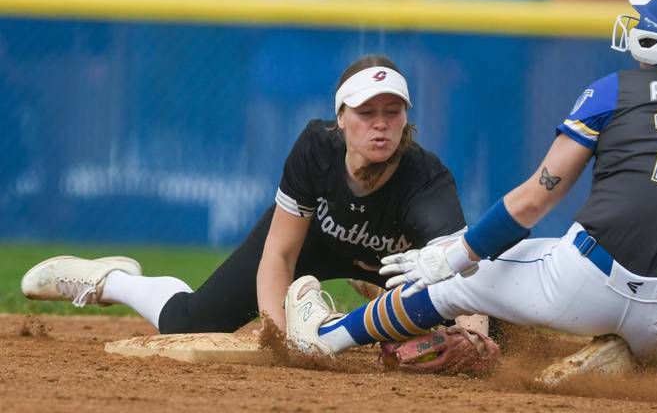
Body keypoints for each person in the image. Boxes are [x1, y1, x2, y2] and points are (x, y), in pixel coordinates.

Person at [283, 0, 657, 377]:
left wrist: (455, 257)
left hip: (587, 287)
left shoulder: (617, 90)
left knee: (450, 282)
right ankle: (638, 357)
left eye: (649, 21)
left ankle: (327, 337)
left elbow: (533, 202)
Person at [21, 55, 491, 361]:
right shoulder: (315, 146)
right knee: (191, 322)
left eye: (393, 112)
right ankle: (113, 280)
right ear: (341, 119)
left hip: (392, 267)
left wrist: (473, 334)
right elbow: (281, 254)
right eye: (367, 113)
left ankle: (381, 299)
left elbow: (466, 273)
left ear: (407, 118)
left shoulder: (426, 180)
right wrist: (277, 334)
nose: (381, 125)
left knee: (486, 334)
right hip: (311, 246)